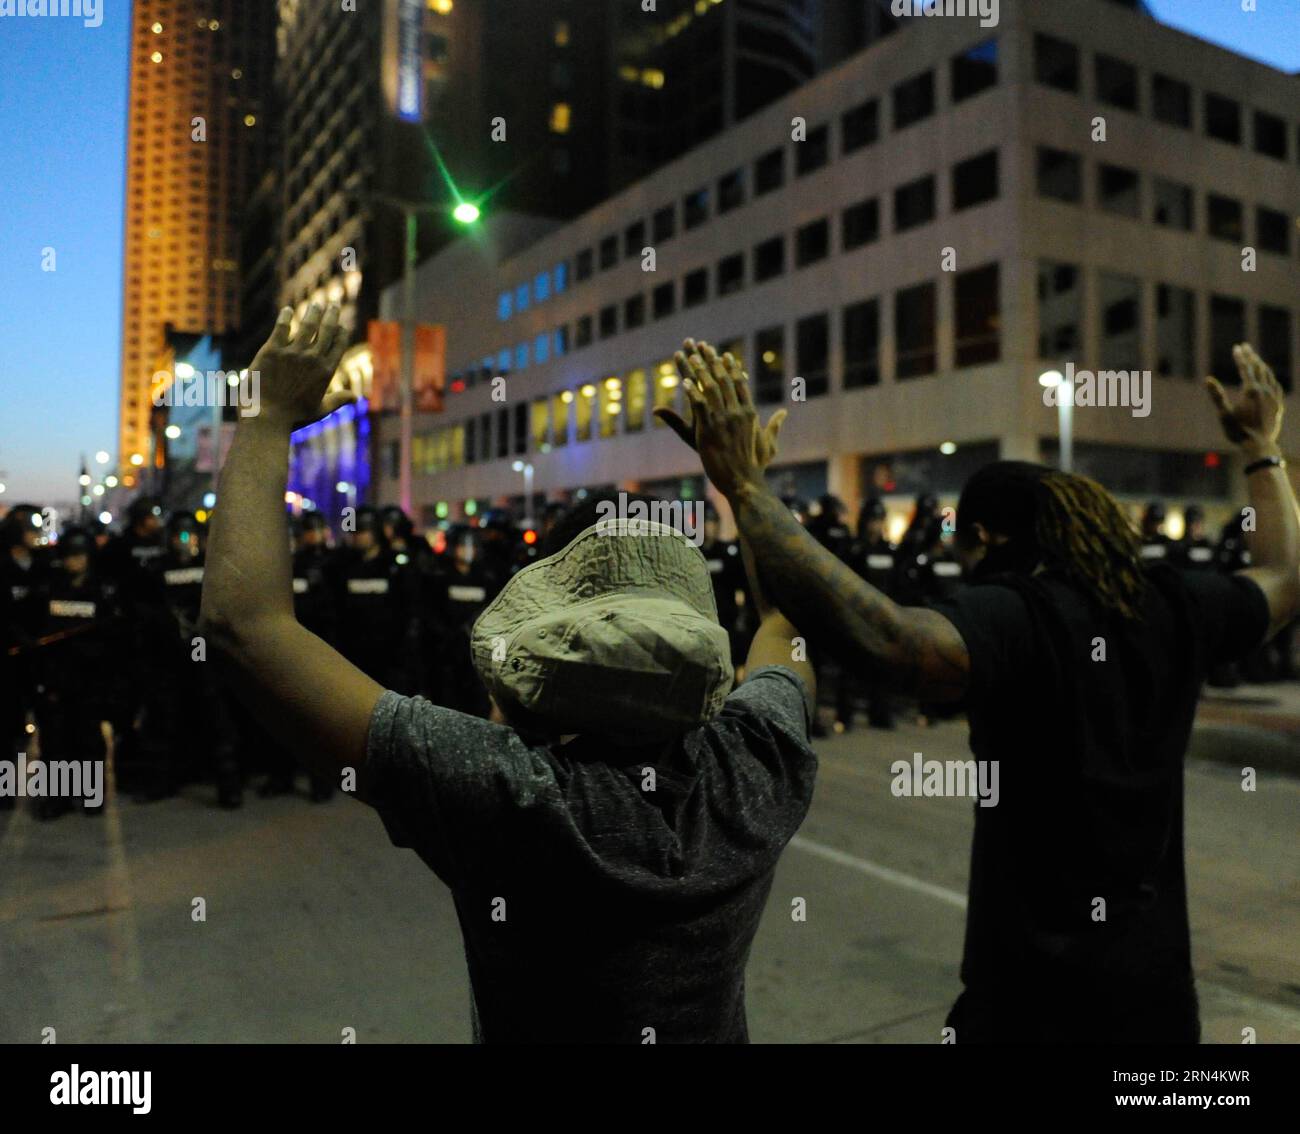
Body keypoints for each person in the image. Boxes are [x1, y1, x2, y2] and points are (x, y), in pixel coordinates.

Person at [199, 303, 818, 1043]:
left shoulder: (504, 793)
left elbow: (244, 624)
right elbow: (787, 619)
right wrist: (745, 486)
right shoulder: (754, 766)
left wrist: (265, 422)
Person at [661, 338, 1298, 1044]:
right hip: (1157, 999)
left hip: (1033, 1000)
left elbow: (893, 640)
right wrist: (1262, 450)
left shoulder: (1019, 613)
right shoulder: (1174, 603)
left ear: (992, 538)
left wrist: (745, 490)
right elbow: (1285, 579)